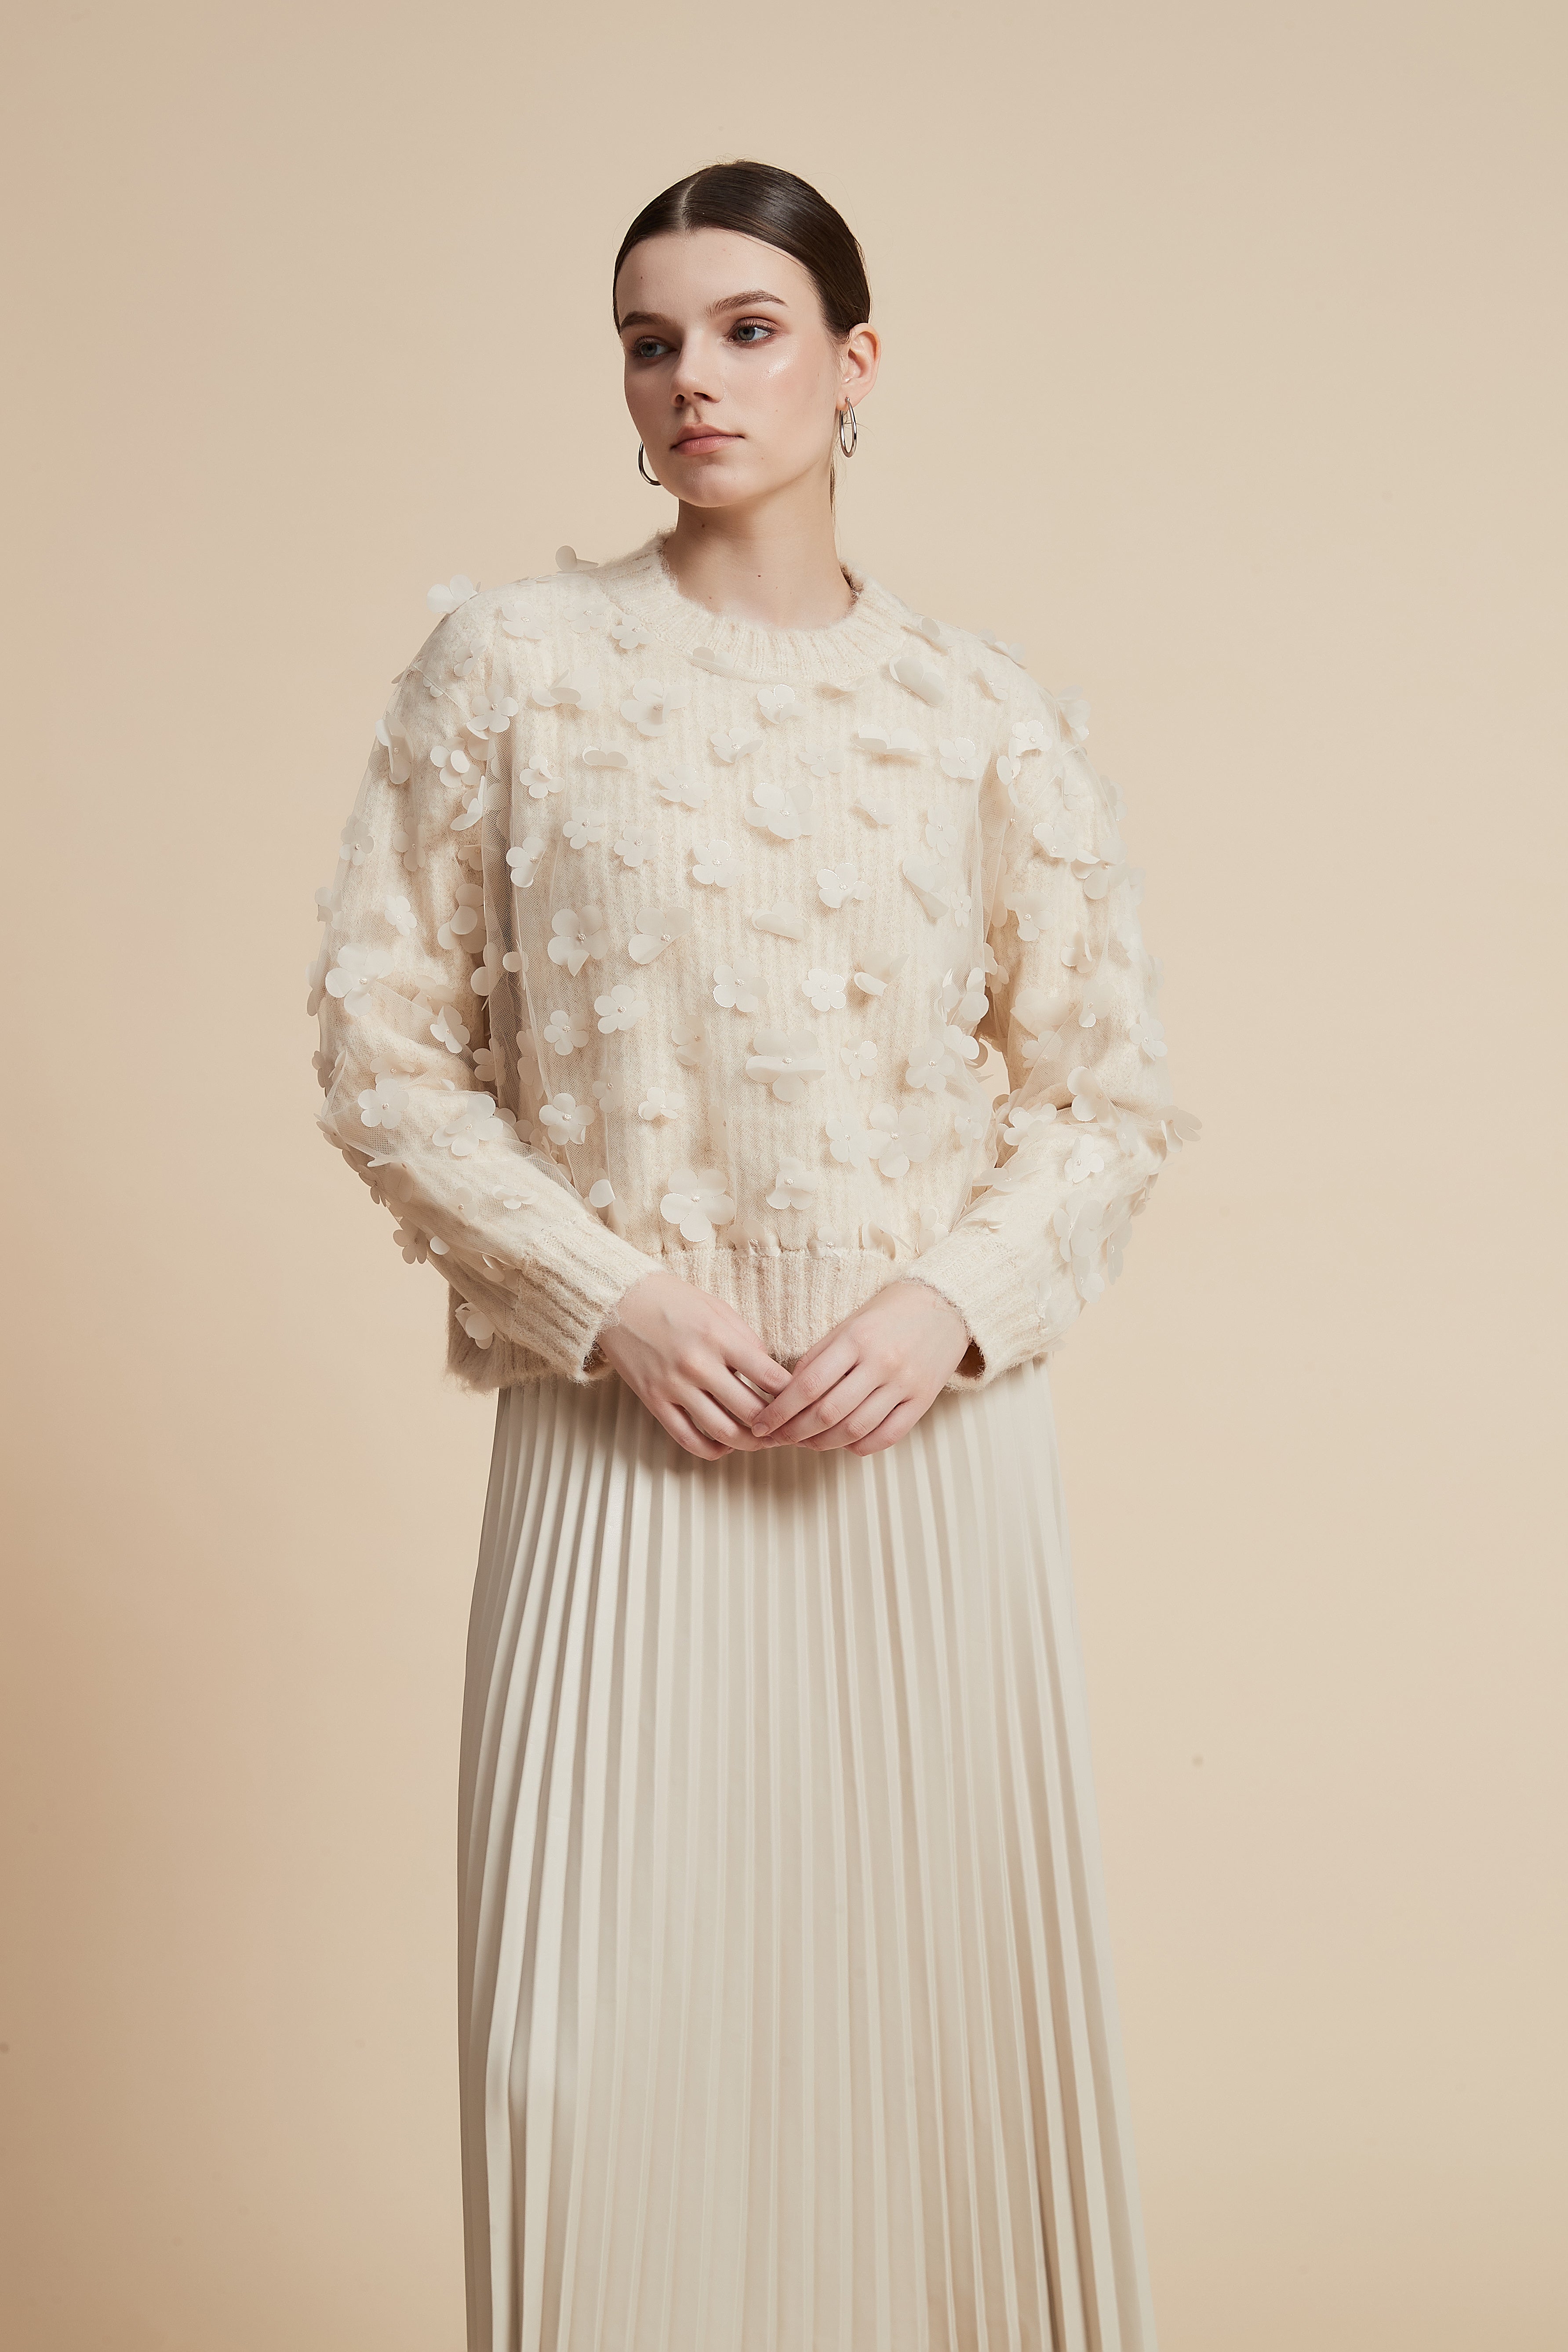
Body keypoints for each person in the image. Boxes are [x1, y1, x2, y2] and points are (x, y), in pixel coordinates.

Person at [309, 156, 1197, 2352]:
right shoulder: (509, 669)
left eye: (746, 328)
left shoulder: (978, 710)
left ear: (854, 362)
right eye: (650, 339)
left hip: (924, 1463)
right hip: (624, 1437)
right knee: (577, 2064)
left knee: (946, 2063)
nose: (691, 378)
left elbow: (1106, 1094)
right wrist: (604, 1298)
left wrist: (946, 1305)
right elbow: (382, 1051)